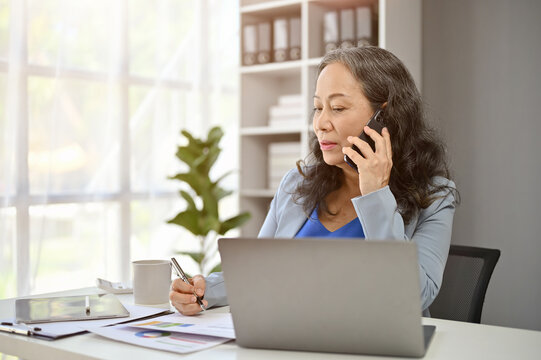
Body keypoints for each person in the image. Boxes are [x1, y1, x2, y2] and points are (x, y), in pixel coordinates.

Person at [170, 46, 458, 316]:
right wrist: (204, 289)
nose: (321, 122)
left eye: (338, 108)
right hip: (292, 339)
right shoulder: (296, 183)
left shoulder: (435, 195)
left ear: (386, 117)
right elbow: (260, 271)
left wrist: (376, 194)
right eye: (318, 107)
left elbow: (413, 296)